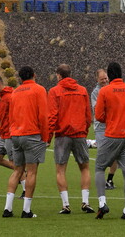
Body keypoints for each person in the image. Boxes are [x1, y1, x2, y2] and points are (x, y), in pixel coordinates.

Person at [93, 62, 125, 220]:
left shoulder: (105, 91)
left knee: (99, 167)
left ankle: (102, 203)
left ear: (109, 75)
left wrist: (113, 119)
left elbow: (99, 116)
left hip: (112, 135)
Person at [47, 63, 94, 215]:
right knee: (85, 168)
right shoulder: (82, 90)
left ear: (59, 75)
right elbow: (88, 115)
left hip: (62, 135)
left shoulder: (54, 91)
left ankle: (66, 205)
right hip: (79, 133)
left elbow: (52, 116)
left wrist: (48, 136)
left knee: (60, 170)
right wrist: (84, 130)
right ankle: (85, 202)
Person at [5, 65, 49, 218]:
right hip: (32, 134)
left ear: (20, 78)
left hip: (16, 134)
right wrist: (45, 137)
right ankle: (26, 210)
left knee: (17, 170)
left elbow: (11, 116)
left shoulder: (15, 92)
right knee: (31, 172)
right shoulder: (39, 90)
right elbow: (43, 116)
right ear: (34, 75)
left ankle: (8, 208)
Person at [90, 68, 119, 190]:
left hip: (114, 126)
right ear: (97, 80)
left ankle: (110, 179)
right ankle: (101, 180)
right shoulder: (95, 93)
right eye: (102, 79)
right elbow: (97, 110)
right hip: (101, 127)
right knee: (103, 155)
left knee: (115, 154)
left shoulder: (114, 89)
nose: (105, 81)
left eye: (106, 78)